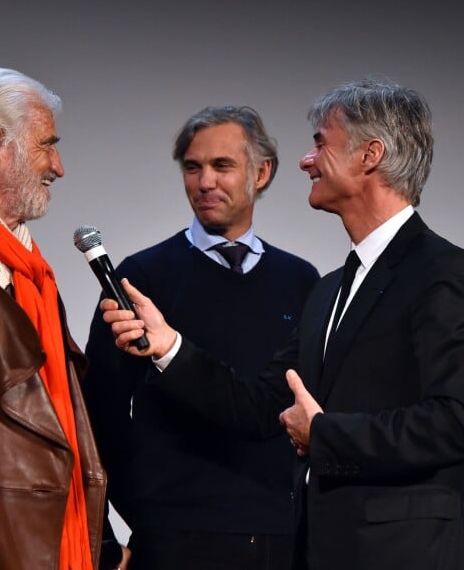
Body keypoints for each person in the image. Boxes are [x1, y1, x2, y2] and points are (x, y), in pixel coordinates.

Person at [100, 79, 464, 570]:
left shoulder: (441, 271)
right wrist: (169, 347)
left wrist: (327, 434)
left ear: (369, 156)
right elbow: (256, 405)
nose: (306, 161)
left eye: (320, 144)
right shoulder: (329, 289)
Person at [83, 105, 320, 570]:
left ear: (262, 172)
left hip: (279, 537)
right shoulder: (140, 277)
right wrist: (142, 517)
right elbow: (96, 416)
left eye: (222, 166)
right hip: (173, 538)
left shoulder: (302, 281)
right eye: (193, 168)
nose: (204, 182)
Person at [0, 68, 129, 569]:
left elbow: (58, 427)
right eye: (46, 145)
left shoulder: (28, 269)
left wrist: (97, 543)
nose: (58, 166)